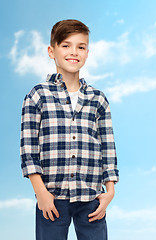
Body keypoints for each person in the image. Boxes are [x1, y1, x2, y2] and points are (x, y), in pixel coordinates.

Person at [20, 19, 119, 240]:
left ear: (87, 52)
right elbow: (29, 150)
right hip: (52, 198)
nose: (74, 52)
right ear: (51, 51)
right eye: (66, 45)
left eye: (81, 46)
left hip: (92, 197)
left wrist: (109, 191)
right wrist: (41, 193)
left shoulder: (98, 99)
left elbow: (108, 147)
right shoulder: (37, 95)